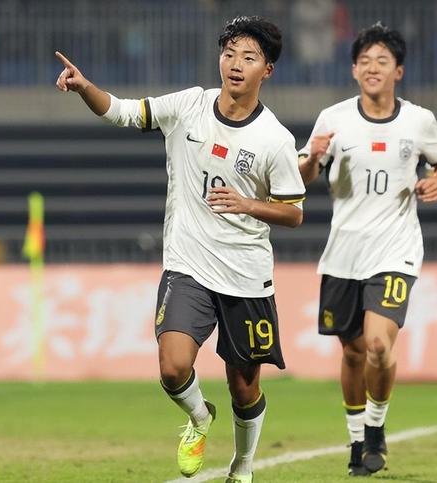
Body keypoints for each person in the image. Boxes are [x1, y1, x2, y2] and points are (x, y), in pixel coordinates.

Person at [55, 16, 305, 483]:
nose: (235, 64)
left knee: (244, 386)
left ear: (267, 70)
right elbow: (124, 111)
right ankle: (199, 417)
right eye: (229, 54)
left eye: (249, 57)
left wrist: (248, 204)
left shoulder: (275, 139)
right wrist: (86, 87)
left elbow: (294, 212)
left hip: (246, 276)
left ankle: (243, 465)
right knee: (172, 368)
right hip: (187, 265)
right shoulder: (190, 104)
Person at [298, 23, 437, 477]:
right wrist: (312, 157)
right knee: (352, 353)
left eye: (382, 61)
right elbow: (302, 178)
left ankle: (376, 428)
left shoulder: (418, 121)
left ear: (398, 71)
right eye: (364, 61)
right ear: (353, 69)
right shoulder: (333, 119)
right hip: (344, 253)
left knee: (379, 347)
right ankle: (355, 440)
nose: (372, 67)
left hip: (395, 250)